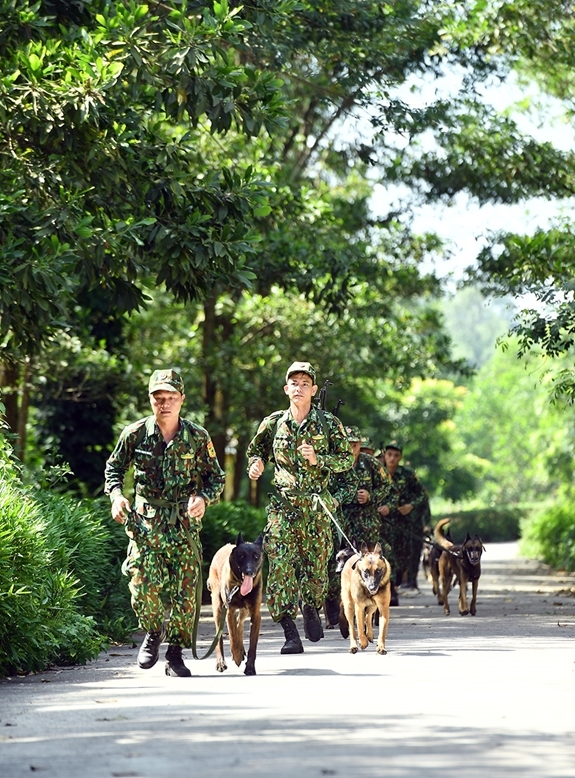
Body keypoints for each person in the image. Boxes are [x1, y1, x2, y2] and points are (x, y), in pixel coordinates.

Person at [104, 369, 226, 677]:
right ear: (150, 400)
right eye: (159, 398)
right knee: (143, 586)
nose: (165, 403)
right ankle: (153, 631)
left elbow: (216, 478)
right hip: (146, 526)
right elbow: (113, 470)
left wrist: (203, 497)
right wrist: (117, 497)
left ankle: (175, 652)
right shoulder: (134, 434)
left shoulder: (197, 436)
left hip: (183, 526)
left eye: (171, 398)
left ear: (182, 400)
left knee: (186, 593)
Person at [246, 361, 354, 654]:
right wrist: (255, 465)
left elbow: (346, 460)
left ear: (314, 390)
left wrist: (320, 458)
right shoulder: (274, 423)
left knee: (316, 572)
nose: (299, 388)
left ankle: (311, 604)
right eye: (294, 383)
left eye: (305, 383)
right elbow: (256, 451)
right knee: (279, 568)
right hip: (283, 507)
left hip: (316, 508)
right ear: (286, 389)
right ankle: (289, 631)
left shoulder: (329, 424)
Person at [341, 426, 398, 606]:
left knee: (371, 561)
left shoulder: (369, 463)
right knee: (341, 562)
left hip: (367, 522)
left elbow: (386, 485)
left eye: (355, 445)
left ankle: (373, 599)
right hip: (342, 521)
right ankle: (339, 604)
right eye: (348, 444)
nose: (351, 449)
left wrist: (370, 496)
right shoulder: (336, 462)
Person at [377, 440, 428, 595]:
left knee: (404, 555)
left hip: (405, 521)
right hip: (383, 522)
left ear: (400, 458)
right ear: (384, 455)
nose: (392, 458)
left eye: (396, 455)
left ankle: (404, 580)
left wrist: (411, 505)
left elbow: (422, 494)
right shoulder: (377, 471)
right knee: (386, 553)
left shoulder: (407, 474)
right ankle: (389, 588)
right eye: (389, 454)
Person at [324, 464, 360, 628]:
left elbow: (351, 483)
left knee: (337, 562)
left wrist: (337, 498)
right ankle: (312, 607)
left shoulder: (339, 459)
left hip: (338, 518)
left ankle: (334, 604)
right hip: (307, 517)